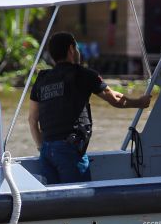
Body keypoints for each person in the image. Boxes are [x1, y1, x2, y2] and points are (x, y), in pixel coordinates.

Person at [28, 31, 152, 184]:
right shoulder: (83, 75)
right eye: (77, 48)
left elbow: (32, 120)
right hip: (69, 150)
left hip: (47, 151)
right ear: (71, 49)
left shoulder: (42, 79)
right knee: (77, 200)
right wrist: (140, 102)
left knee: (56, 202)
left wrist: (42, 149)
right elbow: (115, 100)